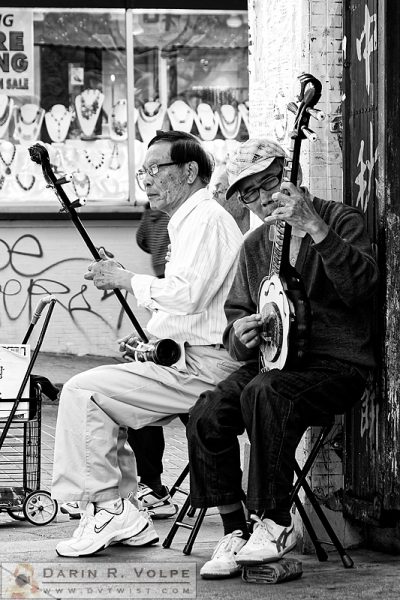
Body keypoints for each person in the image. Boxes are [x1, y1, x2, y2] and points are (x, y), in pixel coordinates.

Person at [186, 137, 379, 579]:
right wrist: (239, 334)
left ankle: (274, 519)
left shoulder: (338, 219)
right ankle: (236, 529)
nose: (263, 198)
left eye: (271, 182)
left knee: (264, 391)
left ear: (292, 177)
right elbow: (236, 321)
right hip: (273, 366)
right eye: (249, 192)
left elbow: (363, 287)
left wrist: (317, 229)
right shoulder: (255, 245)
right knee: (207, 411)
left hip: (336, 367)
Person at [51, 130, 244, 558]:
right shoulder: (189, 221)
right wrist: (146, 344)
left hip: (208, 369)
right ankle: (118, 511)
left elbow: (188, 293)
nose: (147, 179)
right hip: (188, 362)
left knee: (85, 392)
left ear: (190, 171)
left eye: (156, 169)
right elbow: (188, 307)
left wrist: (126, 279)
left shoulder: (207, 219)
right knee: (93, 395)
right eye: (143, 171)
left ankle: (109, 509)